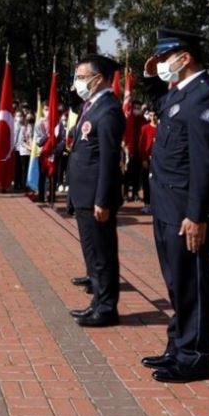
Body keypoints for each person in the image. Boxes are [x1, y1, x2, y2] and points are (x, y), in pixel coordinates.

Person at [143, 28, 209, 383]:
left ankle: (194, 356)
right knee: (177, 282)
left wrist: (197, 215)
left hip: (185, 211)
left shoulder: (203, 97)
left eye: (165, 58)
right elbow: (159, 104)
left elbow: (205, 164)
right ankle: (178, 345)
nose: (161, 64)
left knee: (192, 281)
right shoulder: (181, 94)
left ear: (184, 56)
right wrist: (151, 75)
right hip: (167, 205)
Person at [66, 55, 125, 328]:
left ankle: (107, 307)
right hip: (83, 195)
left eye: (81, 76)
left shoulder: (109, 109)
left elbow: (109, 159)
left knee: (103, 255)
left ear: (97, 78)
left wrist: (103, 199)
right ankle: (97, 302)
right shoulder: (91, 106)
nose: (77, 82)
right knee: (93, 254)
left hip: (96, 197)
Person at [138, 110, 158, 213]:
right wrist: (144, 159)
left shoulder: (161, 128)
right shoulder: (145, 128)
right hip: (148, 160)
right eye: (151, 115)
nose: (153, 117)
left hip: (158, 161)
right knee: (146, 183)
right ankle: (147, 203)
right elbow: (142, 145)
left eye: (154, 115)